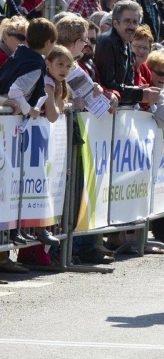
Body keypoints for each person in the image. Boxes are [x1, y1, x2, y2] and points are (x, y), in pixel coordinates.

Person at [0, 17, 61, 247]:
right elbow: (15, 91)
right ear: (48, 42)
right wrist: (30, 110)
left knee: (16, 180)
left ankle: (15, 232)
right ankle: (12, 233)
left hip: (11, 122)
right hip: (11, 121)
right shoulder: (35, 63)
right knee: (12, 179)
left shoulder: (21, 53)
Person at [95, 0, 161, 105]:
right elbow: (107, 84)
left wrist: (139, 90)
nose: (131, 26)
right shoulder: (107, 42)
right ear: (115, 23)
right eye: (127, 21)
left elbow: (128, 83)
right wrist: (140, 94)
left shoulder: (127, 44)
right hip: (103, 112)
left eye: (135, 22)